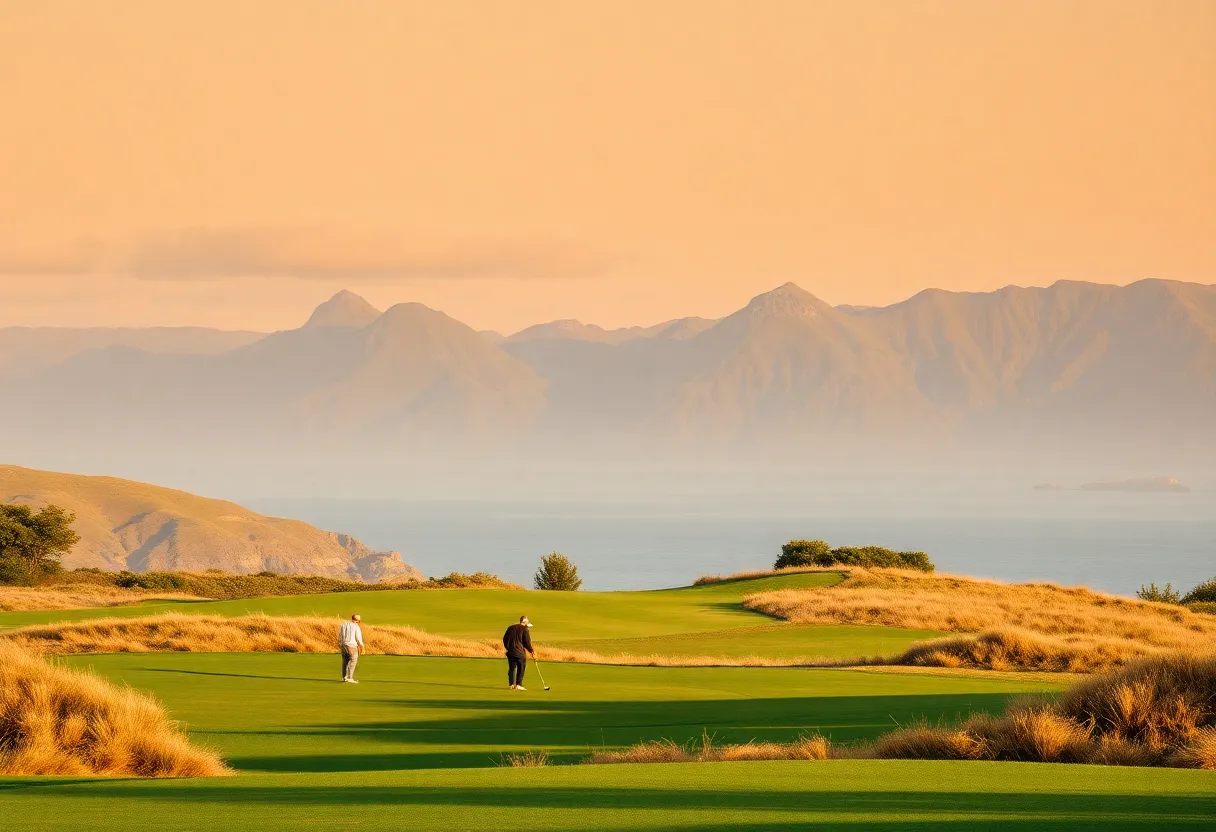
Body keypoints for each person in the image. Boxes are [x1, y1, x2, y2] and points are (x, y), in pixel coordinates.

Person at [502, 615, 534, 690]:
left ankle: (511, 684)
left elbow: (505, 639)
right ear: (525, 623)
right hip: (519, 652)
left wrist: (508, 648)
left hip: (511, 651)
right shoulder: (525, 629)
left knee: (512, 667)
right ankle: (518, 684)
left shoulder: (510, 627)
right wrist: (531, 651)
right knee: (521, 667)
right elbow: (526, 642)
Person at [339, 614, 364, 683]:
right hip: (352, 646)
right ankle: (350, 677)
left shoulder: (343, 625)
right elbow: (358, 638)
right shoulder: (356, 627)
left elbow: (340, 636)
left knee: (345, 662)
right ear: (358, 621)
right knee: (353, 661)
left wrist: (340, 645)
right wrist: (362, 647)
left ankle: (344, 677)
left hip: (343, 646)